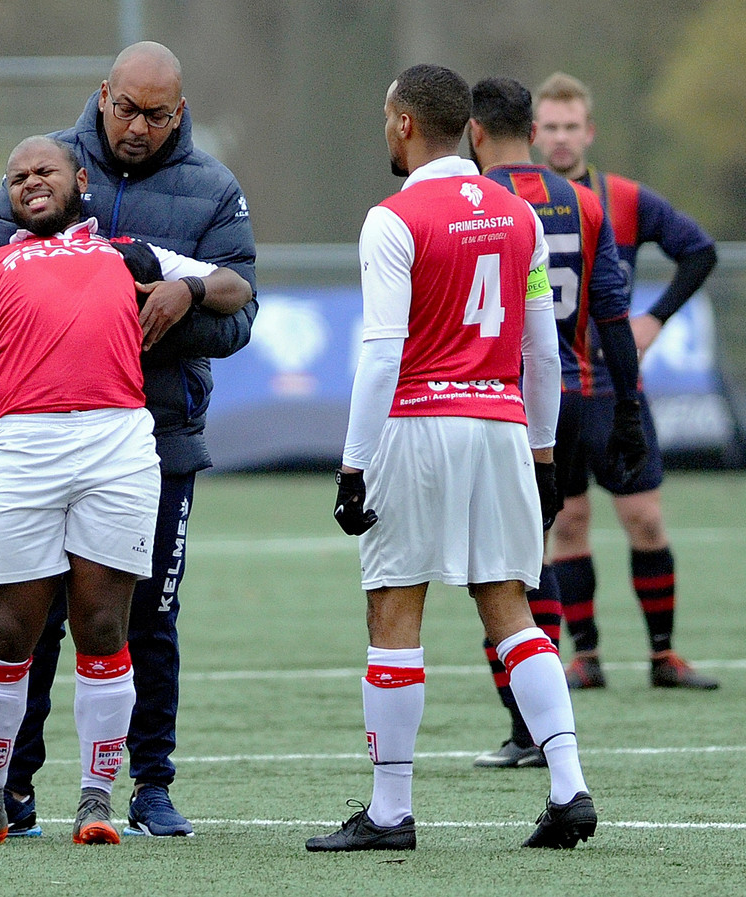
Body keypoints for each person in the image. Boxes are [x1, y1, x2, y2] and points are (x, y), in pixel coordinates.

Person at [0, 39, 258, 840]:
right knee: (25, 623)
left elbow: (240, 305)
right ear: (103, 95)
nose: (139, 127)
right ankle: (7, 792)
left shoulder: (210, 191)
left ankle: (144, 787)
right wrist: (23, 335)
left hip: (155, 435)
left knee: (142, 619)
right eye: (126, 109)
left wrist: (175, 301)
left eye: (157, 115)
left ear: (178, 112)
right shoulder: (40, 172)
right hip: (34, 435)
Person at [307, 65, 595, 852]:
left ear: (403, 124)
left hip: (418, 424)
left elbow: (381, 352)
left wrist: (353, 465)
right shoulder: (520, 217)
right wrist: (542, 457)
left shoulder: (392, 219)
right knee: (510, 610)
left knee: (394, 612)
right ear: (469, 127)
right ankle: (569, 785)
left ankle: (391, 811)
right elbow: (544, 350)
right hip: (502, 424)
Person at [465, 76, 648, 768]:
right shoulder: (582, 200)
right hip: (572, 397)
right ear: (534, 131)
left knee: (500, 570)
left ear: (475, 132)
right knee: (534, 553)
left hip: (495, 398)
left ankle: (529, 729)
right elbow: (612, 313)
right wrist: (627, 404)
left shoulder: (477, 202)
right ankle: (542, 726)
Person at [533, 71, 720, 691]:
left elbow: (699, 249)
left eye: (570, 126)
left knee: (644, 518)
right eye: (549, 127)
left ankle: (664, 656)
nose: (560, 138)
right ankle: (586, 657)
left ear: (589, 130)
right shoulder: (518, 199)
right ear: (533, 133)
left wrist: (656, 318)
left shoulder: (625, 199)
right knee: (569, 523)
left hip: (615, 390)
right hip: (551, 393)